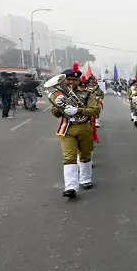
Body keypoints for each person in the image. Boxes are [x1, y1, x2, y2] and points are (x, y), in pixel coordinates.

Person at [48, 64, 101, 198]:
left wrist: (78, 110)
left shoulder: (87, 93)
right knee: (69, 157)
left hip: (84, 126)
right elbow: (55, 114)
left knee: (85, 154)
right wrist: (58, 106)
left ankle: (85, 179)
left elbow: (96, 111)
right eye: (68, 80)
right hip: (67, 128)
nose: (71, 82)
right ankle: (71, 187)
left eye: (74, 80)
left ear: (78, 80)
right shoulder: (58, 94)